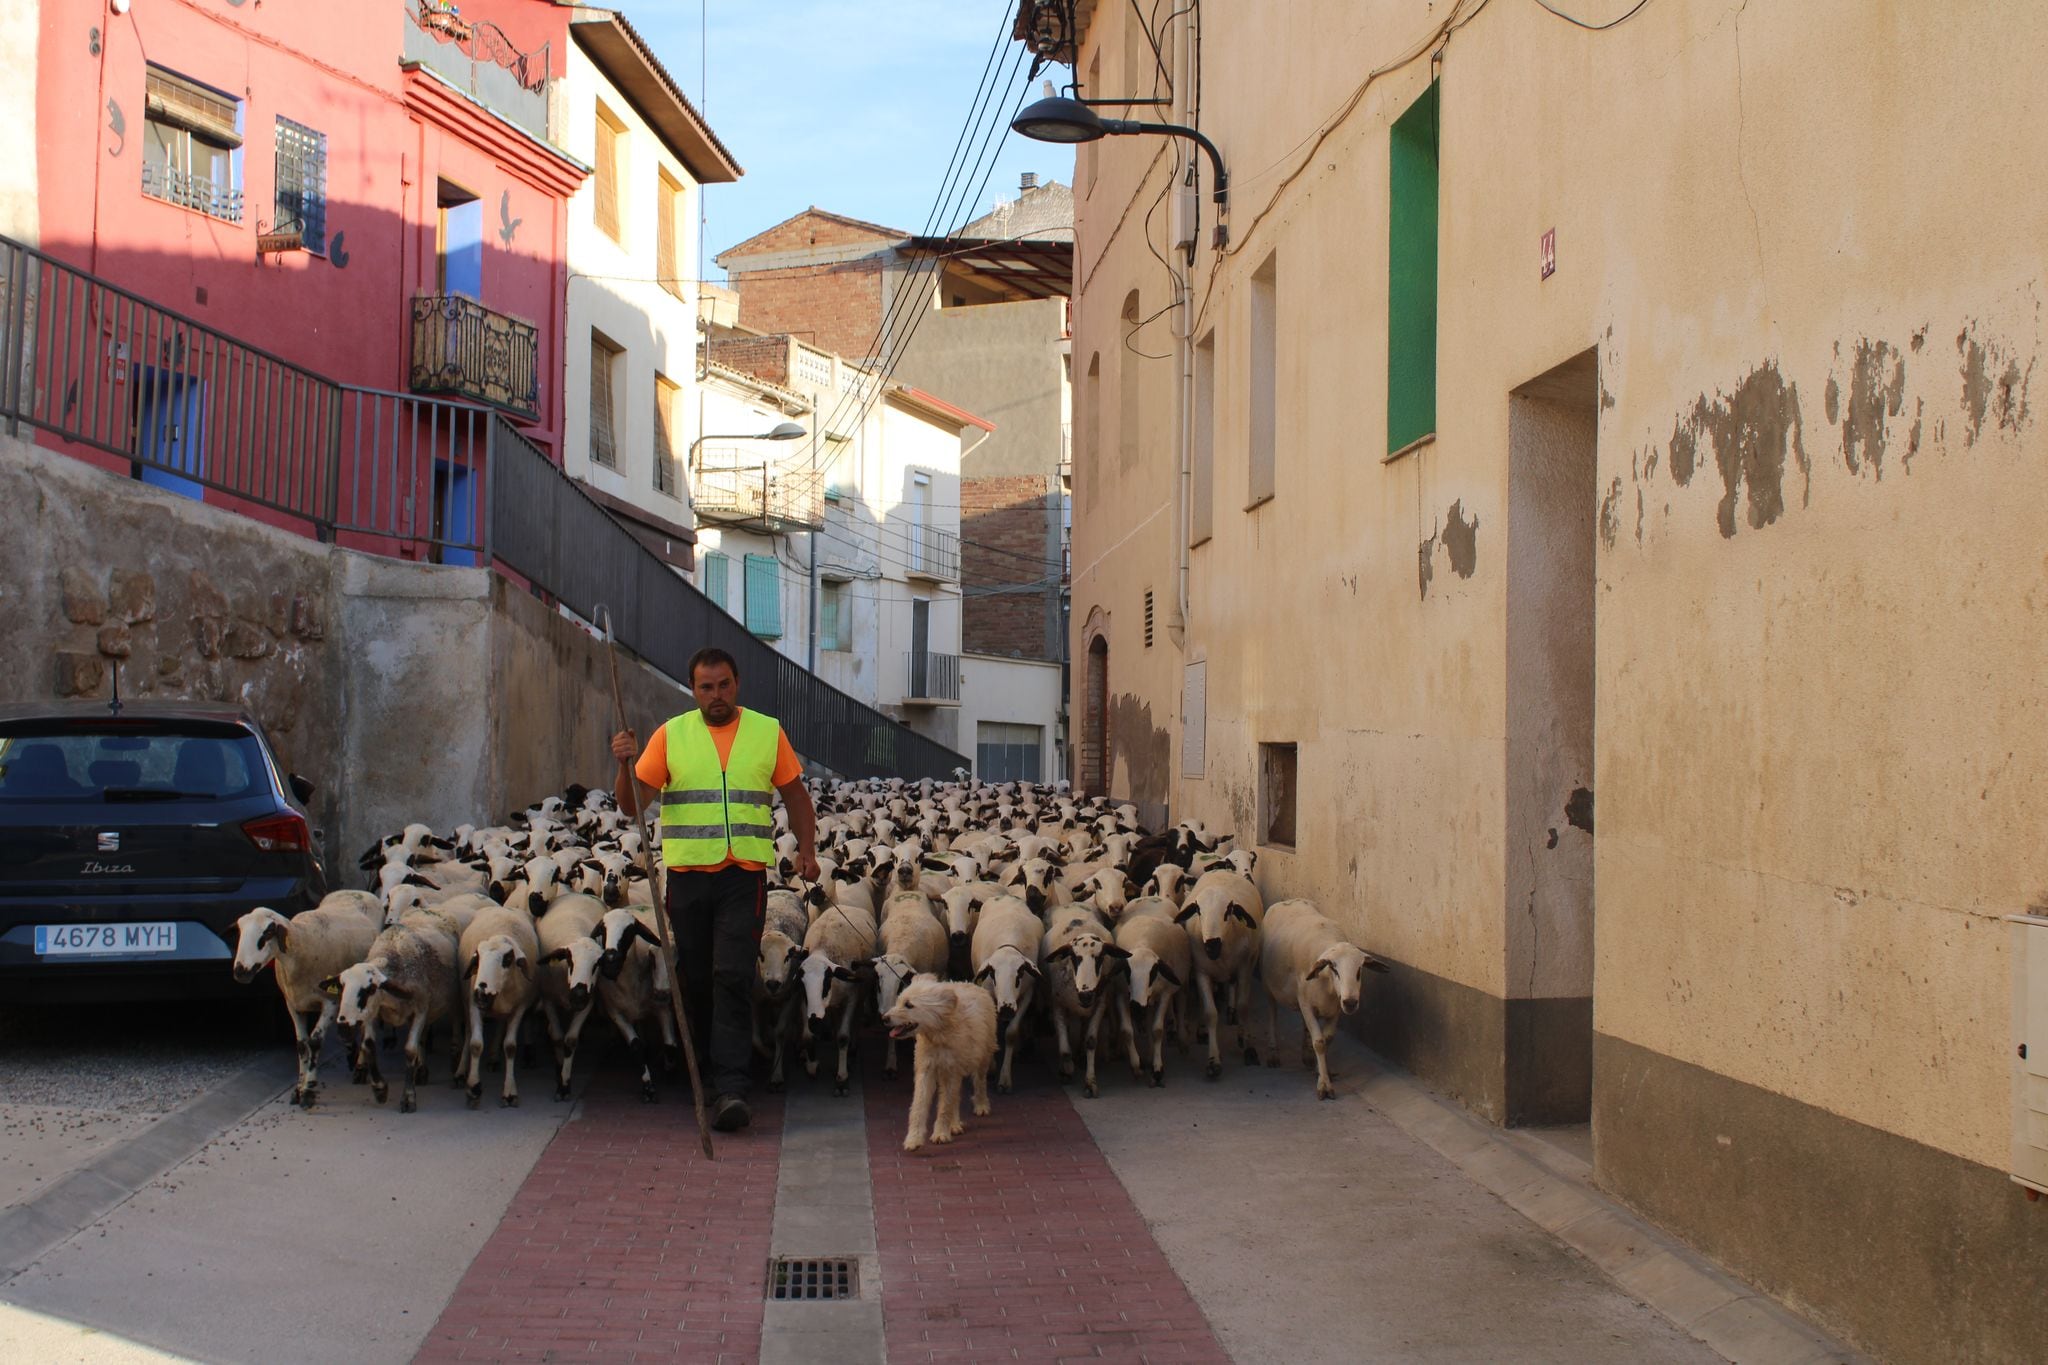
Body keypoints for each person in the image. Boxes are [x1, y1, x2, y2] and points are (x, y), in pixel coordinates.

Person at [610, 646, 819, 1134]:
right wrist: (625, 763)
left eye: (724, 684)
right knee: (698, 976)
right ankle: (702, 1067)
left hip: (742, 876)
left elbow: (795, 796)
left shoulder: (766, 732)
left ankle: (731, 1087)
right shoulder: (671, 735)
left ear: (737, 683)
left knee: (730, 973)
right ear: (694, 689)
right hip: (686, 879)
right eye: (706, 687)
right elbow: (630, 806)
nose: (716, 694)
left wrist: (806, 848)